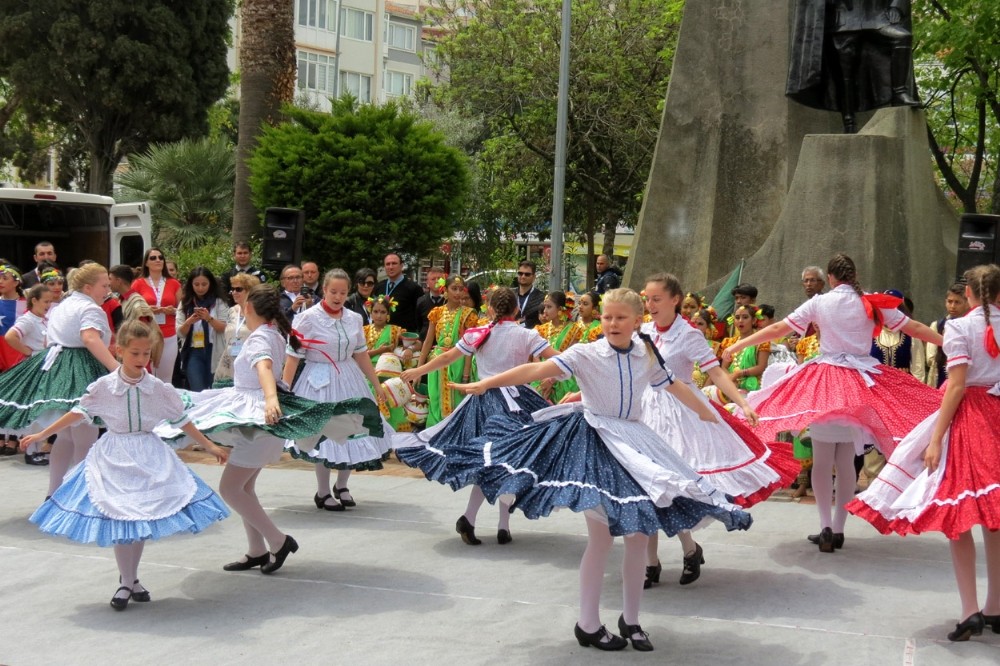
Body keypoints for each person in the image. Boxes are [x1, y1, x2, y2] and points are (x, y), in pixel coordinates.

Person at [448, 288, 752, 652]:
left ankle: (632, 620)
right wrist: (486, 383)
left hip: (637, 442)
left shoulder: (646, 354)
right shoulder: (586, 353)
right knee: (602, 539)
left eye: (621, 317)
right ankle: (588, 622)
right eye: (607, 317)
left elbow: (673, 385)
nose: (612, 323)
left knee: (638, 535)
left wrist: (708, 413)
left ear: (638, 321)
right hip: (595, 442)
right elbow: (536, 368)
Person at [721, 253, 943, 552]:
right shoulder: (871, 302)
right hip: (860, 387)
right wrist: (949, 342)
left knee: (824, 461)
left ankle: (825, 525)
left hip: (825, 384)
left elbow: (778, 330)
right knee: (847, 461)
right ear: (853, 276)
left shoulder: (821, 302)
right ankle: (838, 528)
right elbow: (914, 328)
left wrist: (737, 343)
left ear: (832, 277)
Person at [154, 284, 381, 574]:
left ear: (248, 308)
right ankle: (257, 550)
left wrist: (272, 399)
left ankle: (278, 540)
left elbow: (264, 367)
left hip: (259, 422)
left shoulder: (260, 337)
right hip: (261, 421)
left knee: (230, 488)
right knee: (245, 487)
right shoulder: (272, 333)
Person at [19, 320, 230, 611]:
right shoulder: (104, 386)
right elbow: (78, 412)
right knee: (122, 516)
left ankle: (129, 579)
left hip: (148, 453)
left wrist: (210, 445)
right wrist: (43, 433)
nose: (142, 360)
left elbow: (181, 420)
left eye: (146, 354)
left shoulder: (156, 387)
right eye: (135, 353)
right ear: (119, 351)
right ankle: (127, 581)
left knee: (138, 517)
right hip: (114, 454)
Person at [846, 264, 1000, 642]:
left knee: (957, 513)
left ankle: (970, 611)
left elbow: (957, 386)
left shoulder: (959, 328)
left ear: (968, 295)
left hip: (972, 421)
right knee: (995, 516)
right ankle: (996, 606)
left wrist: (935, 438)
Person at [640, 274, 797, 589]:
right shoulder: (642, 330)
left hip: (683, 414)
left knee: (675, 486)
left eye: (657, 299)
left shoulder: (688, 334)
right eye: (648, 299)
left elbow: (716, 372)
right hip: (645, 412)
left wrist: (744, 403)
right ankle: (651, 562)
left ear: (674, 299)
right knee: (644, 485)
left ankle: (687, 551)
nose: (650, 305)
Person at [396, 286, 556, 545]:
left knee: (489, 462)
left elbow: (447, 356)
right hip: (516, 401)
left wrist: (418, 370)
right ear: (516, 309)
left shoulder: (480, 333)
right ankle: (499, 525)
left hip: (482, 401)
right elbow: (557, 360)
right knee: (506, 462)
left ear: (490, 309)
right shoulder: (527, 334)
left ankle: (478, 520)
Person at [0, 263, 120, 497]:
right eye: (104, 285)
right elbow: (90, 338)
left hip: (55, 365)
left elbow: (48, 343)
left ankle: (54, 493)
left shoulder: (62, 306)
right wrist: (115, 368)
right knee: (85, 433)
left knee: (66, 435)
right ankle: (82, 495)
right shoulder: (90, 308)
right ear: (88, 287)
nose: (108, 289)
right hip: (80, 368)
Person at [283, 269, 392, 511]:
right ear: (324, 289)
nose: (338, 296)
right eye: (333, 291)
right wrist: (284, 392)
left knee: (353, 429)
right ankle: (322, 491)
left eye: (343, 292)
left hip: (349, 377)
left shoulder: (353, 318)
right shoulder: (307, 318)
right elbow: (292, 358)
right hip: (318, 380)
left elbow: (361, 354)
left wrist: (375, 384)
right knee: (323, 433)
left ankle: (342, 485)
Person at [787, 0, 919, 133]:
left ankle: (899, 92)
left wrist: (897, 8)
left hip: (875, 18)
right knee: (845, 75)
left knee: (902, 37)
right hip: (842, 21)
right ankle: (849, 122)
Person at [418, 275, 479, 427]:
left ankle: (455, 431)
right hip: (437, 361)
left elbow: (469, 346)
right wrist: (419, 369)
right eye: (454, 288)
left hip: (458, 360)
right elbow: (427, 341)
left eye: (460, 289)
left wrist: (466, 373)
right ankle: (435, 431)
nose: (457, 293)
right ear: (445, 290)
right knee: (436, 396)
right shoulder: (436, 312)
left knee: (456, 398)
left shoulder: (468, 314)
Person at [129, 248, 182, 383]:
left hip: (169, 334)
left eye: (160, 257)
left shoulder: (174, 283)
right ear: (146, 263)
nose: (158, 260)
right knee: (147, 374)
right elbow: (132, 307)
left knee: (166, 376)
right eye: (153, 258)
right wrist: (147, 309)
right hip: (147, 333)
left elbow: (181, 309)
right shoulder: (138, 283)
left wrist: (172, 311)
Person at [363, 295, 412, 432]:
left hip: (389, 375)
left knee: (391, 399)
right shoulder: (364, 331)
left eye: (383, 312)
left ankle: (392, 431)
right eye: (376, 311)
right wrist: (380, 350)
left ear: (388, 314)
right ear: (370, 312)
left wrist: (409, 349)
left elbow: (416, 341)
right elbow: (359, 355)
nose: (379, 315)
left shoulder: (396, 331)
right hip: (368, 372)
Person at [177, 268, 228, 391]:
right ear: (191, 284)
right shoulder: (185, 302)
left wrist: (209, 318)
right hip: (193, 350)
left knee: (215, 388)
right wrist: (189, 322)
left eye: (204, 284)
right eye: (196, 284)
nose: (200, 288)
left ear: (210, 284)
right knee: (197, 389)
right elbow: (180, 332)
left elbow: (225, 328)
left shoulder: (219, 302)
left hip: (214, 349)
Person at [711, 305, 771, 398]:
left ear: (754, 320)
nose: (740, 321)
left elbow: (761, 367)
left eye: (745, 317)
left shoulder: (761, 341)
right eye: (737, 317)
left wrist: (738, 373)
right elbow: (724, 367)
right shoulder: (730, 342)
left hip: (753, 386)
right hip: (732, 384)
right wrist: (730, 380)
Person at [533, 291, 583, 403]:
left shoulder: (575, 330)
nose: (545, 311)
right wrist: (543, 377)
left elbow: (571, 359)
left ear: (560, 309)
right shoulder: (541, 330)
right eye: (545, 306)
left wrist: (551, 380)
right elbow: (536, 357)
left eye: (549, 307)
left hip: (564, 376)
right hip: (541, 374)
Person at [213, 272, 257, 388]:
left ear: (250, 290)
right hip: (228, 363)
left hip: (248, 363)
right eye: (232, 289)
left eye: (238, 289)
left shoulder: (258, 313)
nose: (234, 292)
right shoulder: (232, 311)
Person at [924, 283, 970, 388]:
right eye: (950, 302)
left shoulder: (971, 325)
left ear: (967, 303)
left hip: (964, 375)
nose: (953, 306)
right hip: (940, 373)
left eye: (957, 302)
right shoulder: (937, 325)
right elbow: (930, 358)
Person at [376, 253, 423, 333]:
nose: (391, 267)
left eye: (394, 263)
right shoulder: (379, 287)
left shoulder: (414, 288)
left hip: (404, 338)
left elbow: (420, 315)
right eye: (388, 264)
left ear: (401, 266)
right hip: (381, 335)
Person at [220, 241, 267, 306]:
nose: (242, 256)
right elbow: (224, 296)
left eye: (245, 253)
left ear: (250, 254)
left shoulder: (258, 274)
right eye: (239, 253)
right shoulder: (226, 275)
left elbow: (260, 295)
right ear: (234, 255)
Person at [415, 266, 446, 340]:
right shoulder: (421, 301)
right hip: (424, 340)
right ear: (427, 283)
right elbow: (419, 323)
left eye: (439, 278)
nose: (436, 281)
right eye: (433, 279)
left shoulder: (449, 300)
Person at [515, 260, 545, 329]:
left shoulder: (541, 297)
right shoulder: (510, 295)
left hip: (532, 335)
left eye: (527, 274)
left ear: (534, 277)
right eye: (520, 273)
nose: (523, 276)